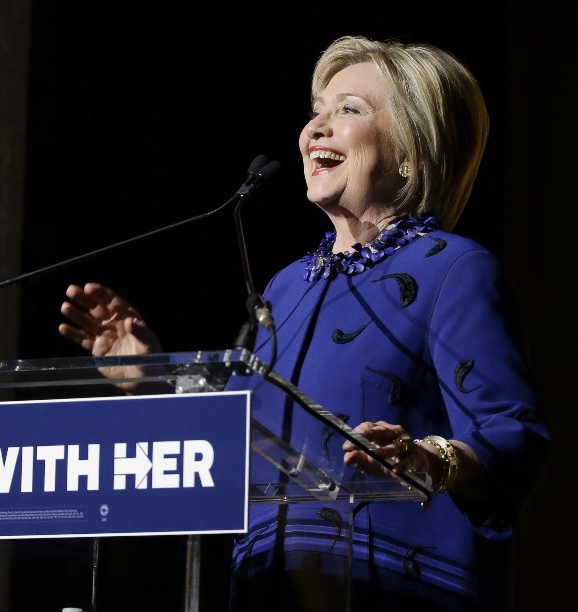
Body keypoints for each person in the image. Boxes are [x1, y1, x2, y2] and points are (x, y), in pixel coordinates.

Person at [58, 36, 550, 611]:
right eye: (316, 111)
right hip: (271, 585)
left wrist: (423, 458)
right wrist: (153, 376)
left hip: (397, 588)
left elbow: (513, 433)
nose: (315, 127)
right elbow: (238, 443)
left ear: (414, 148)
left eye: (348, 109)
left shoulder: (453, 269)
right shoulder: (287, 288)